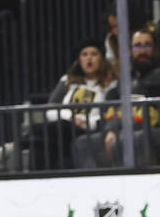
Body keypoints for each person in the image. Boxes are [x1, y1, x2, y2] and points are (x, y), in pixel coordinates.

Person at [73, 29, 160, 169]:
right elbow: (112, 111)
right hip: (124, 129)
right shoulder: (125, 80)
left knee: (128, 139)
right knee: (83, 143)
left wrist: (120, 131)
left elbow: (152, 116)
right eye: (137, 46)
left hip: (156, 130)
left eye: (147, 45)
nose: (142, 50)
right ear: (131, 50)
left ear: (154, 50)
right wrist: (111, 130)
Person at [34, 40, 118, 169]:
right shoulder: (67, 80)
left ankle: (15, 145)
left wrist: (84, 122)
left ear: (102, 59)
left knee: (40, 131)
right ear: (79, 60)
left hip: (88, 127)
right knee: (42, 140)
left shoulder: (110, 84)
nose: (89, 58)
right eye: (84, 54)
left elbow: (108, 114)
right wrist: (70, 117)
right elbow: (50, 108)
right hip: (63, 124)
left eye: (94, 54)